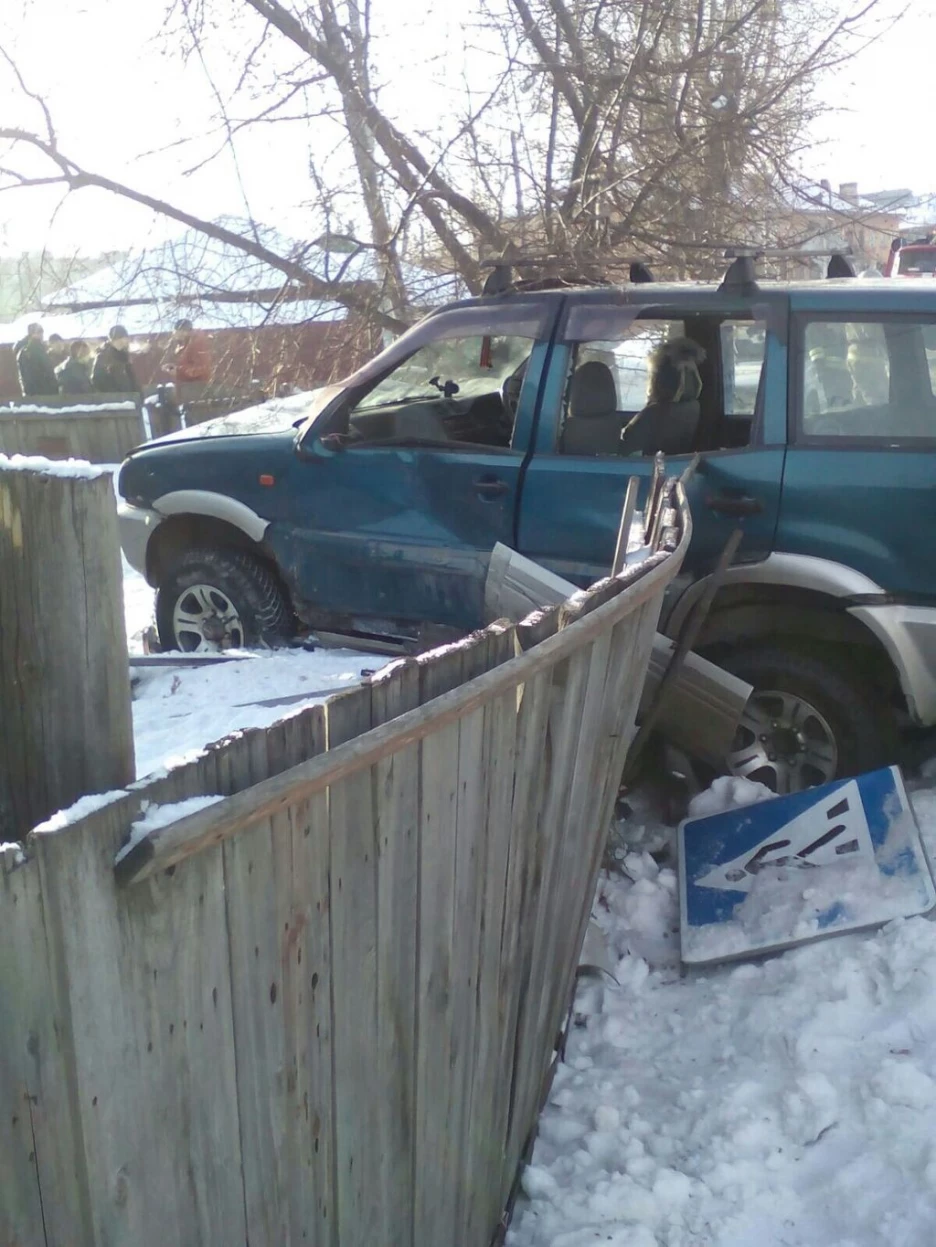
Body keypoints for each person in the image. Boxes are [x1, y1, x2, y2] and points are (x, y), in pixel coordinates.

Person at [166, 318, 212, 404]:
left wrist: (179, 371)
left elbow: (201, 368)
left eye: (176, 332)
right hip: (188, 389)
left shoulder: (197, 344)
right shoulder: (185, 344)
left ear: (184, 332)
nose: (174, 335)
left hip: (196, 389)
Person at [15, 322, 59, 397]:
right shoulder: (34, 350)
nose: (41, 335)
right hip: (43, 392)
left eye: (42, 331)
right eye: (39, 332)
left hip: (32, 392)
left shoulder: (28, 350)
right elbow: (44, 371)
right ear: (32, 334)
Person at [93, 325, 139, 394]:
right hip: (114, 399)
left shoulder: (124, 356)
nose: (127, 340)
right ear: (118, 338)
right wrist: (114, 394)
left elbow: (131, 379)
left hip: (129, 398)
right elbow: (98, 380)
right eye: (125, 337)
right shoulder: (103, 356)